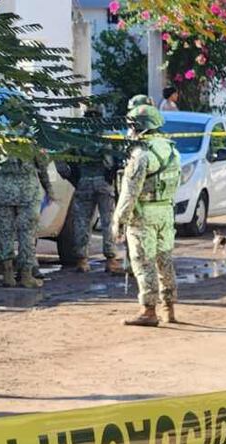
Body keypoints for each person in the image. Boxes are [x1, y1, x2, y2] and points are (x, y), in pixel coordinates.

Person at [111, 99, 182, 326]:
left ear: (139, 127)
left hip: (143, 214)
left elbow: (130, 191)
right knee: (165, 260)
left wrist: (119, 220)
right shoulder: (171, 148)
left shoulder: (141, 155)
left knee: (143, 261)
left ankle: (148, 311)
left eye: (132, 126)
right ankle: (169, 308)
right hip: (165, 211)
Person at [0, 146, 54, 288]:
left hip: (4, 191)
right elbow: (43, 163)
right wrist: (48, 188)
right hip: (27, 193)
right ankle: (26, 275)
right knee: (27, 233)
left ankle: (8, 274)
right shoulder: (31, 138)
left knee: (6, 232)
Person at [68, 108, 121, 274]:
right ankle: (111, 260)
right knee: (108, 221)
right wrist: (112, 176)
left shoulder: (74, 135)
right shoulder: (110, 134)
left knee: (82, 221)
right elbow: (120, 160)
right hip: (105, 182)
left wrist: (74, 179)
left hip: (83, 181)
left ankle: (82, 260)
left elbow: (62, 161)